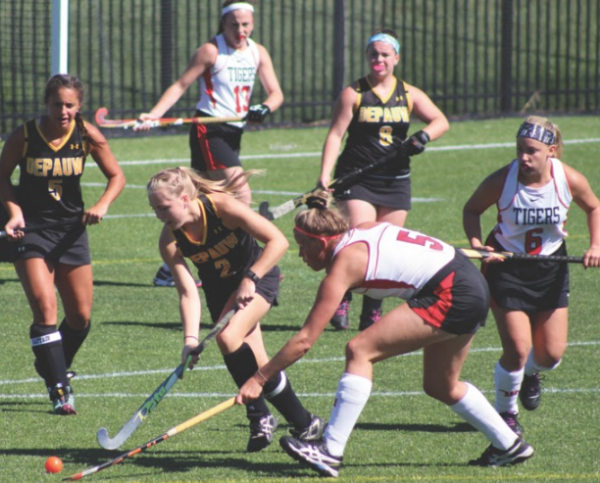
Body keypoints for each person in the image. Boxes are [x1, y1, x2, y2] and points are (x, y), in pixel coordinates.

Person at [236, 193, 534, 477]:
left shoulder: (344, 264)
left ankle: (330, 450)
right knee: (441, 385)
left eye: (303, 245)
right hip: (468, 282)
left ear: (323, 242)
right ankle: (509, 445)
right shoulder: (362, 229)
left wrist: (260, 378)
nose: (300, 254)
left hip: (452, 291)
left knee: (359, 350)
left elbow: (304, 341)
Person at [147, 167, 324, 452]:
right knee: (259, 362)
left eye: (164, 207)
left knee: (227, 338)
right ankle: (305, 423)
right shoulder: (169, 240)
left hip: (257, 277)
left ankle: (258, 415)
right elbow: (188, 291)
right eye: (154, 209)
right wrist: (190, 340)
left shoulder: (222, 208)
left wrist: (250, 278)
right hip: (220, 294)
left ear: (183, 198)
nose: (159, 215)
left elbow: (278, 241)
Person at [0, 74, 125, 415]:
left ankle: (51, 362)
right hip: (32, 231)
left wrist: (102, 205)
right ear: (46, 103)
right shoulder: (24, 136)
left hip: (71, 231)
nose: (63, 111)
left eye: (69, 105)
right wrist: (14, 213)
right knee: (45, 308)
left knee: (80, 317)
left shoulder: (87, 136)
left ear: (78, 106)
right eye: (57, 104)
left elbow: (117, 176)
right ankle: (59, 389)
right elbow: (2, 177)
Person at [462, 116, 600, 435]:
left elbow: (594, 207)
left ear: (550, 151)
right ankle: (506, 414)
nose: (523, 157)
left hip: (551, 268)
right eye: (519, 149)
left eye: (532, 151)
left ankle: (531, 374)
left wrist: (595, 245)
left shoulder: (568, 180)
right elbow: (472, 210)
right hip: (505, 267)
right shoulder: (503, 179)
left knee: (550, 355)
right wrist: (476, 244)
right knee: (518, 349)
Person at [137, 0, 283, 288]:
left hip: (233, 132)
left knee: (203, 199)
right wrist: (155, 115)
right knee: (240, 193)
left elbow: (276, 93)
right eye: (234, 25)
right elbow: (181, 85)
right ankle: (252, 260)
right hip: (209, 128)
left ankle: (169, 269)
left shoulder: (257, 52)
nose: (240, 30)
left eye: (246, 24)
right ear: (224, 23)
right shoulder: (211, 51)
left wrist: (264, 107)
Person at [318, 29, 449, 330]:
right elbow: (336, 134)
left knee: (386, 248)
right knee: (359, 238)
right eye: (373, 54)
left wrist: (424, 136)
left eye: (385, 54)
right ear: (367, 57)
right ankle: (343, 296)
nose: (379, 59)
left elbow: (441, 120)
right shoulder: (354, 92)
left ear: (396, 58)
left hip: (395, 181)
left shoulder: (409, 93)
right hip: (357, 178)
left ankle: (372, 311)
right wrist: (324, 176)